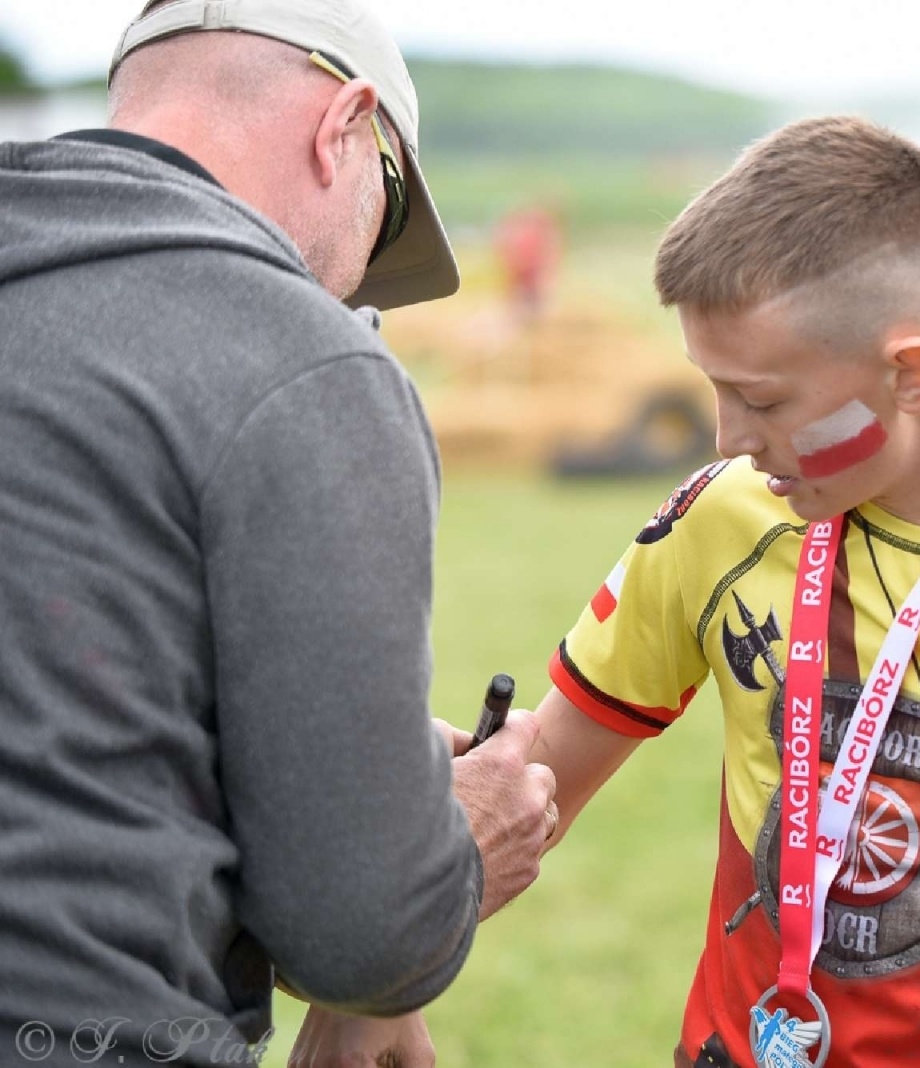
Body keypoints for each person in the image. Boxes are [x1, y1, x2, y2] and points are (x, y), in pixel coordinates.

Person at [297, 116, 920, 1067]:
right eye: (712, 388)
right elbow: (532, 786)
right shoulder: (726, 518)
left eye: (765, 400)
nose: (725, 435)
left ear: (911, 375)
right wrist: (380, 980)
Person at [0, 0, 558, 1064]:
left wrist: (341, 765)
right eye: (385, 219)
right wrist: (458, 844)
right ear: (343, 127)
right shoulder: (305, 357)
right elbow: (358, 932)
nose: (349, 286)